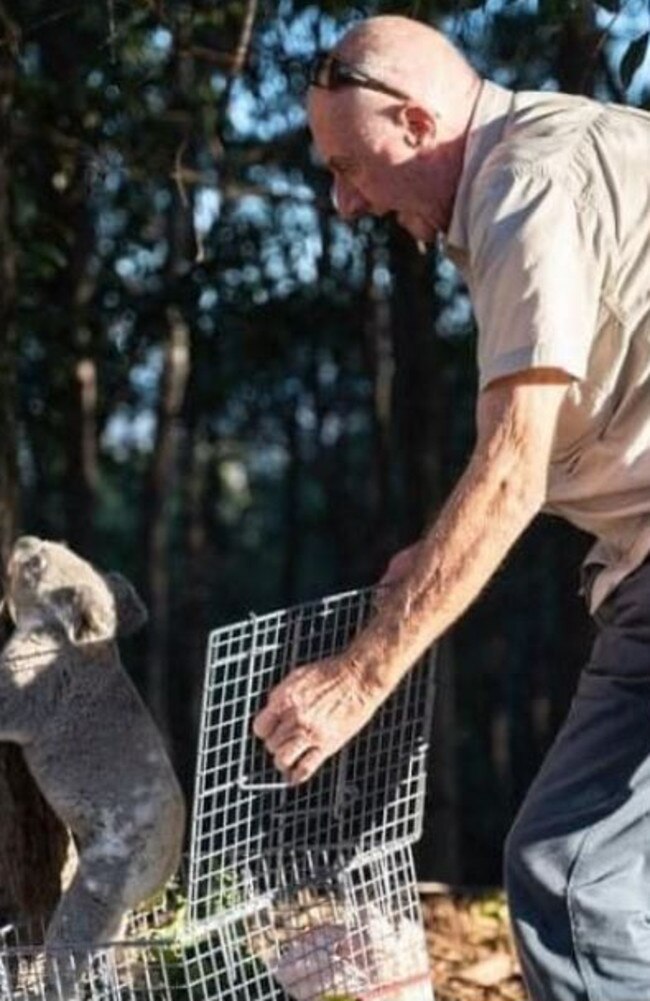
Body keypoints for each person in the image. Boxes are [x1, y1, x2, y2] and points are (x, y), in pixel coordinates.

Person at [253, 14, 650, 1001]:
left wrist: (357, 676)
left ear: (416, 119)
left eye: (349, 165)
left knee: (571, 882)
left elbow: (512, 466)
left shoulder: (525, 186)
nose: (344, 203)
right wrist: (430, 552)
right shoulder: (582, 137)